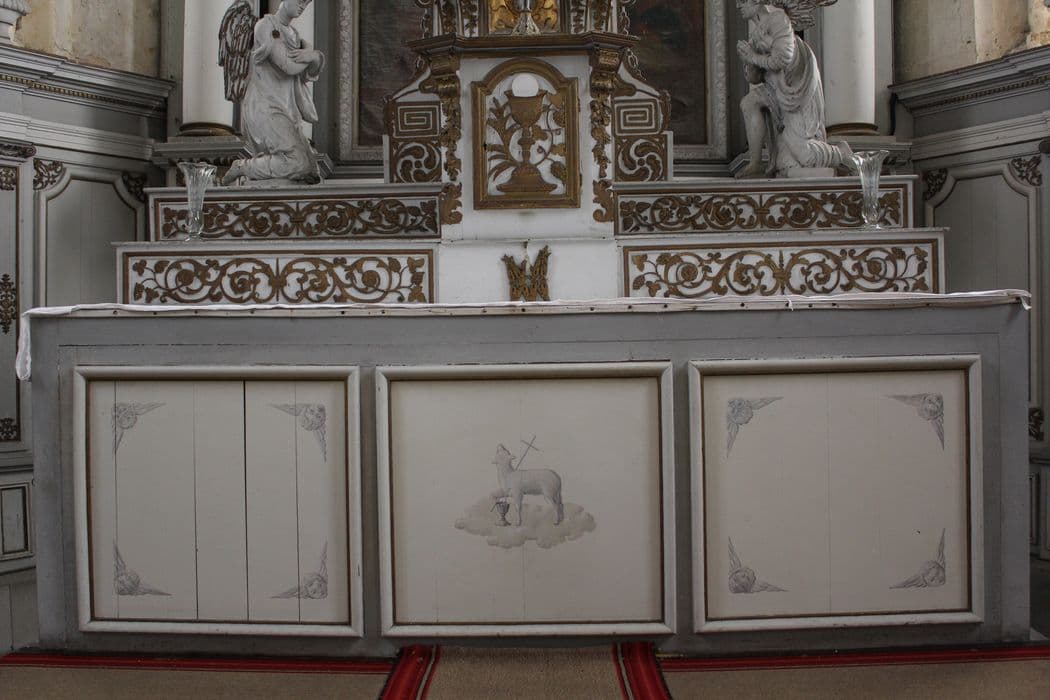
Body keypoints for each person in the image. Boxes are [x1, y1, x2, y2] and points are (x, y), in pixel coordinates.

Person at [734, 0, 850, 178]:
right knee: (750, 103)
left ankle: (841, 152)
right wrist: (748, 61)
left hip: (795, 90)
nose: (738, 6)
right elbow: (755, 78)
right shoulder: (756, 34)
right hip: (776, 92)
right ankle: (755, 164)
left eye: (742, 1)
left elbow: (782, 59)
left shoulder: (778, 20)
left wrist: (753, 57)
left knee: (804, 156)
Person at [222, 0, 324, 185]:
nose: (302, 6)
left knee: (310, 169)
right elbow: (287, 65)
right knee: (299, 163)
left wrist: (313, 57)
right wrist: (313, 55)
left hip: (287, 108)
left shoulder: (296, 36)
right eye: (300, 0)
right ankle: (243, 167)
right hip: (266, 106)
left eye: (306, 3)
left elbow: (310, 73)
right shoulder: (265, 26)